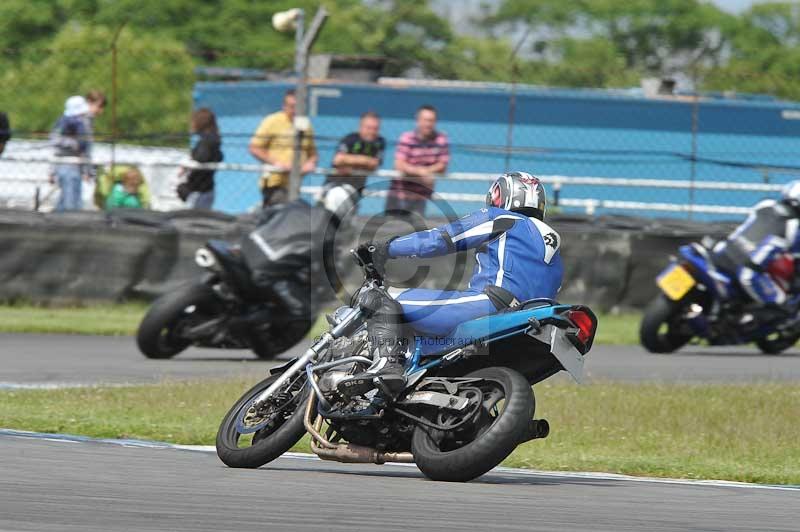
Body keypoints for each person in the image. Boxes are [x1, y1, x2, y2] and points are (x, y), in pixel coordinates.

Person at [340, 172, 563, 397]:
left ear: (500, 195)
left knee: (381, 299)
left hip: (491, 306)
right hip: (528, 322)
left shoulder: (501, 218)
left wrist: (383, 248)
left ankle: (386, 365)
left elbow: (439, 240)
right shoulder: (552, 246)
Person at [712, 181, 800, 324]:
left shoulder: (765, 205)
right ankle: (743, 323)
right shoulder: (794, 229)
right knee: (782, 304)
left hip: (723, 253)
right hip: (748, 272)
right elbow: (796, 259)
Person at [249, 89, 318, 207]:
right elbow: (255, 148)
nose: (295, 110)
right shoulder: (272, 121)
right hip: (275, 182)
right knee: (282, 211)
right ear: (284, 106)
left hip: (294, 183)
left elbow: (313, 153)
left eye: (298, 107)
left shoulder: (305, 125)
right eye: (291, 106)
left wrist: (310, 163)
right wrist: (278, 164)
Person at [387, 104, 449, 217]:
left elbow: (442, 165)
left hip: (421, 197)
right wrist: (423, 173)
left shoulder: (441, 139)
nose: (428, 124)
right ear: (418, 120)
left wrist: (422, 171)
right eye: (425, 120)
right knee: (391, 230)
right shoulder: (407, 138)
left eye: (431, 120)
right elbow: (399, 164)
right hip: (399, 195)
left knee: (415, 231)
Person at [327, 111, 386, 195]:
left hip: (356, 189)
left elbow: (375, 164)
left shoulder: (379, 142)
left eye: (375, 129)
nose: (372, 132)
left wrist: (349, 161)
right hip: (335, 185)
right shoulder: (350, 139)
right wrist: (365, 162)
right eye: (369, 128)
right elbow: (338, 160)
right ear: (360, 127)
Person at [50, 96, 92, 211]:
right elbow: (54, 141)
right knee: (69, 203)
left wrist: (86, 170)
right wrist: (74, 143)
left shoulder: (81, 124)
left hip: (76, 165)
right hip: (66, 165)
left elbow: (85, 149)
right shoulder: (64, 123)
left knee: (73, 200)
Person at [177, 108, 223, 209]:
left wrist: (188, 164)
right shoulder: (213, 140)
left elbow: (202, 158)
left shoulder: (207, 142)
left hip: (199, 191)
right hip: (205, 189)